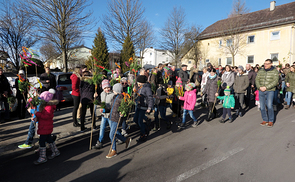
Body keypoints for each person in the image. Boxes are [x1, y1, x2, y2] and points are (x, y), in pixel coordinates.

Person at [33, 90, 60, 165]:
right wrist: (36, 118)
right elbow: (42, 116)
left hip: (45, 127)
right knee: (49, 139)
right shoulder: (45, 106)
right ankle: (55, 151)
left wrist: (37, 114)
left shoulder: (48, 107)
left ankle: (43, 157)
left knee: (42, 141)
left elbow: (46, 116)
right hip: (44, 126)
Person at [106, 83, 132, 158]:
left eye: (113, 89)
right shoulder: (114, 97)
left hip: (116, 118)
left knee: (111, 135)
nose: (112, 90)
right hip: (111, 117)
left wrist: (122, 113)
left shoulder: (122, 98)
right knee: (113, 134)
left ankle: (114, 150)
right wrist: (106, 110)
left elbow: (125, 108)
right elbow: (112, 107)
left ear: (116, 90)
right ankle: (125, 140)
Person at [255, 59, 279, 127]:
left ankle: (271, 120)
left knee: (269, 105)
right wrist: (259, 87)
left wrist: (266, 87)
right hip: (261, 90)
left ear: (271, 64)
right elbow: (257, 79)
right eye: (265, 63)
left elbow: (275, 81)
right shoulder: (261, 71)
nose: (265, 65)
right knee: (262, 107)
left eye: (267, 64)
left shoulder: (275, 71)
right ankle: (265, 119)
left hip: (270, 91)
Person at [92, 80, 114, 149]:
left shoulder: (113, 94)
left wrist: (106, 109)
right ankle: (100, 142)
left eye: (108, 87)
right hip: (104, 115)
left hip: (110, 114)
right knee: (102, 128)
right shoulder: (102, 94)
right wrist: (96, 98)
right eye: (105, 88)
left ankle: (119, 138)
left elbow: (113, 106)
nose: (107, 89)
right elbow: (101, 102)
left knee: (112, 129)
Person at [133, 75, 153, 142]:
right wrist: (134, 93)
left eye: (139, 82)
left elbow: (150, 98)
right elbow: (137, 96)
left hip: (144, 107)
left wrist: (149, 107)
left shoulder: (147, 88)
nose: (138, 84)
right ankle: (146, 127)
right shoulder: (139, 88)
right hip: (138, 106)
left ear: (142, 82)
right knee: (135, 119)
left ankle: (143, 135)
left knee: (140, 121)